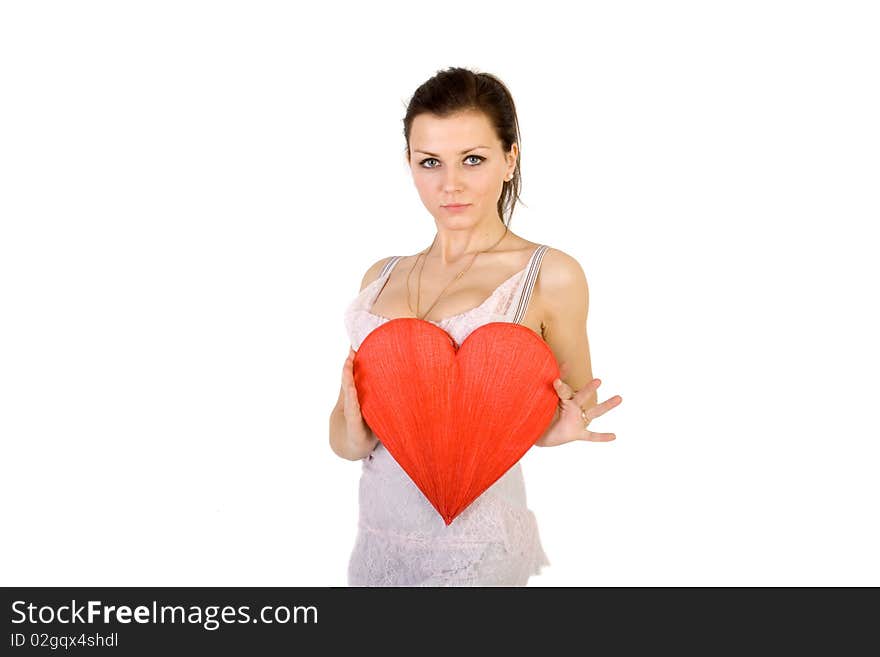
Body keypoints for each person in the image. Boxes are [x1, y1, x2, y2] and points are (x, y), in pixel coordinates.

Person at [329, 67, 623, 586]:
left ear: (510, 158)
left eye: (473, 159)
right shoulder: (381, 277)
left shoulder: (550, 275)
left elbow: (555, 411)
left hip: (477, 556)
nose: (451, 184)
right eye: (430, 162)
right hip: (378, 546)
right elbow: (347, 438)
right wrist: (353, 432)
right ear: (409, 165)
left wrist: (559, 431)